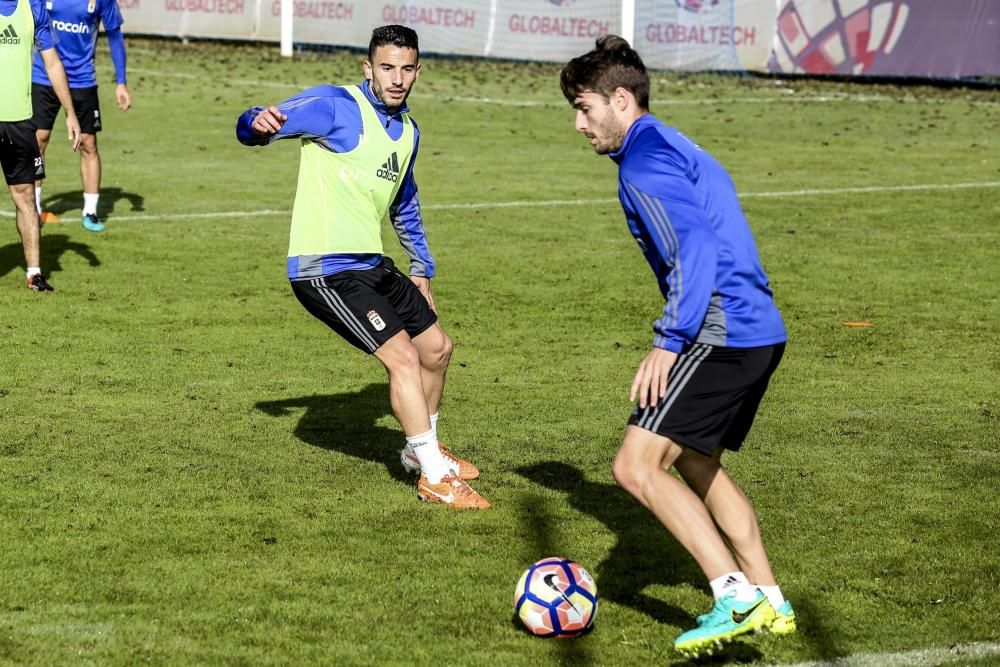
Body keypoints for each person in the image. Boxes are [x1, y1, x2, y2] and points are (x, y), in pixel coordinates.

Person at [560, 36, 795, 656]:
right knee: (695, 460)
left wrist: (669, 342)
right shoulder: (668, 141)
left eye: (584, 108)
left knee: (635, 467)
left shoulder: (643, 162)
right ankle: (771, 600)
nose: (578, 124)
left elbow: (696, 248)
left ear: (620, 99)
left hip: (719, 331)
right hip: (758, 330)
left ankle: (733, 595)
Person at [236, 25, 489, 510]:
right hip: (324, 269)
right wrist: (256, 122)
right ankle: (435, 477)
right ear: (368, 67)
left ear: (417, 71)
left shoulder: (409, 131)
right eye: (387, 67)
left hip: (371, 264)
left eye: (406, 68)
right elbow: (255, 125)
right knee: (403, 358)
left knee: (436, 349)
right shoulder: (334, 105)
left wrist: (421, 266)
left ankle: (422, 453)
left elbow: (405, 202)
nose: (397, 78)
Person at [1, 0, 81, 291]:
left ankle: (34, 274)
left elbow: (52, 62)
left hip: (20, 123)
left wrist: (71, 113)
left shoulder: (32, 7)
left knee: (25, 198)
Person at [31, 0, 130, 232]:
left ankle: (91, 212)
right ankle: (32, 207)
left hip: (82, 80)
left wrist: (121, 83)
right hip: (44, 76)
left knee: (88, 143)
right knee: (37, 139)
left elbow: (115, 35)